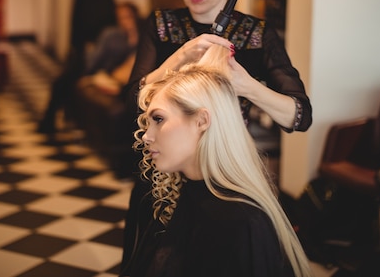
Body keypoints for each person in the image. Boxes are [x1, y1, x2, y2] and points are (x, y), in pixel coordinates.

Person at [120, 0, 312, 268]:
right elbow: (131, 101)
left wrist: (247, 86)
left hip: (222, 176)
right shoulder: (163, 25)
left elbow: (299, 116)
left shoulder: (256, 34)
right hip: (163, 173)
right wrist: (177, 58)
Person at [120, 45, 311, 277]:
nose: (146, 136)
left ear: (201, 120)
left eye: (158, 119)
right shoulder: (188, 192)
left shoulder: (240, 223)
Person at [38, 2, 141, 133]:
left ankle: (57, 118)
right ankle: (49, 119)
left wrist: (133, 35)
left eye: (128, 17)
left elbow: (132, 61)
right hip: (89, 66)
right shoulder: (111, 34)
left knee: (65, 83)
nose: (124, 21)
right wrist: (87, 75)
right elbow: (94, 60)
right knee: (62, 82)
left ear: (135, 17)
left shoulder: (140, 38)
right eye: (120, 18)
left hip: (108, 74)